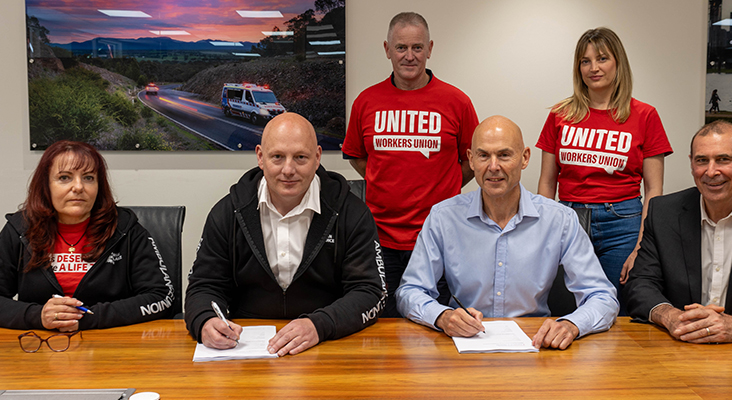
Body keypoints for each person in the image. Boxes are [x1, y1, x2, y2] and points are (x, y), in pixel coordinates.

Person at [396, 116, 619, 350]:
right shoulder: (443, 217)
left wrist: (572, 324)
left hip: (536, 347)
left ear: (524, 158)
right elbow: (410, 291)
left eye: (504, 155)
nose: (493, 167)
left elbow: (602, 296)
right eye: (483, 156)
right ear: (471, 160)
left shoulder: (559, 220)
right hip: (464, 347)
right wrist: (442, 317)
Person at [184, 113, 385, 356]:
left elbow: (370, 292)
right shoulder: (227, 213)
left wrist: (319, 325)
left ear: (318, 157)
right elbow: (203, 286)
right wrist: (205, 321)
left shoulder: (352, 213)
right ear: (260, 157)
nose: (288, 170)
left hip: (328, 343)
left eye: (300, 157)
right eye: (277, 157)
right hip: (244, 348)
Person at [342, 12, 479, 317]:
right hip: (380, 237)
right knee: (383, 323)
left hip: (438, 237)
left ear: (430, 49)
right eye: (401, 47)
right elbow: (356, 154)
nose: (409, 56)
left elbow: (474, 158)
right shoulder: (366, 102)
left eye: (417, 47)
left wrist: (448, 181)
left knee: (438, 323)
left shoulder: (456, 101)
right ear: (387, 49)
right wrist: (382, 178)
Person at [536, 27, 673, 313]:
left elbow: (654, 191)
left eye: (602, 59)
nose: (593, 68)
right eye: (585, 61)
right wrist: (542, 236)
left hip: (623, 223)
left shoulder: (645, 115)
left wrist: (641, 246)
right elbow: (547, 184)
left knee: (617, 308)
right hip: (570, 219)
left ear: (618, 62)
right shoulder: (559, 116)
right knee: (567, 307)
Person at [625, 120, 732, 342]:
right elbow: (640, 284)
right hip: (677, 348)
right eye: (701, 161)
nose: (711, 171)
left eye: (723, 159)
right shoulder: (663, 214)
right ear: (691, 164)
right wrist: (670, 317)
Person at [0, 141, 174, 331]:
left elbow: (161, 297)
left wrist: (90, 318)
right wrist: (37, 316)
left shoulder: (126, 229)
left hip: (111, 344)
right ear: (46, 185)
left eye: (89, 177)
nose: (78, 187)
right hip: (37, 345)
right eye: (65, 177)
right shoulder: (20, 230)